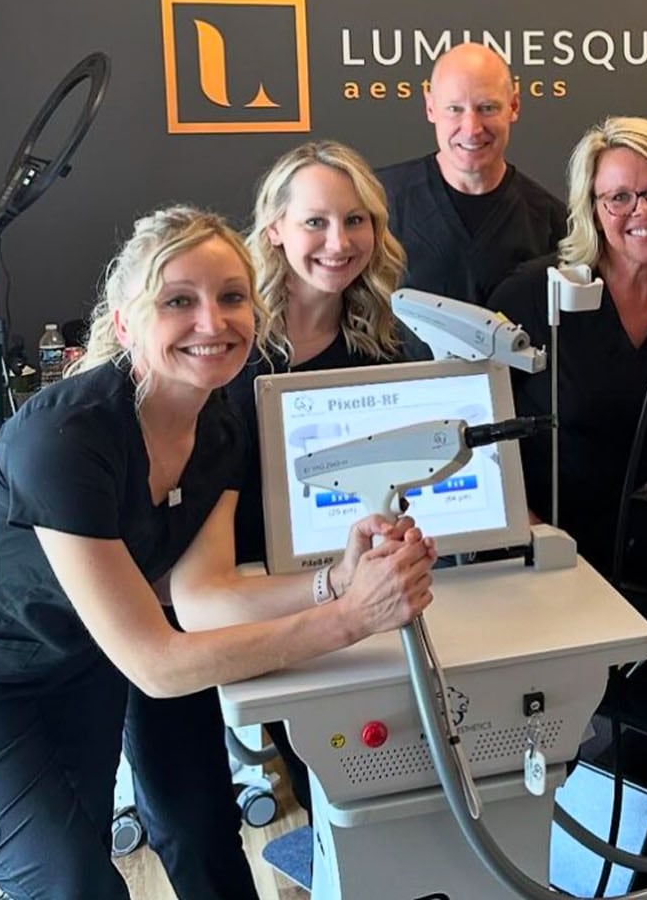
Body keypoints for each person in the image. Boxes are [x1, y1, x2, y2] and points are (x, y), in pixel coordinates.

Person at [0, 206, 435, 900]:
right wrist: (349, 619)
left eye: (232, 297)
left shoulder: (221, 422)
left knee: (84, 860)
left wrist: (335, 580)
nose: (212, 321)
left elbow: (200, 596)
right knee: (73, 883)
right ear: (125, 322)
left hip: (76, 663)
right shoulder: (68, 438)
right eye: (179, 301)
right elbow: (157, 665)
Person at [487, 116, 647, 631]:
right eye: (619, 197)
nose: (641, 211)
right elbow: (480, 432)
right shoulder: (535, 296)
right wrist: (527, 529)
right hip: (562, 515)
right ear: (592, 209)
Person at [224, 139, 409, 812]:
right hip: (231, 593)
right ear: (274, 230)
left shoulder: (384, 348)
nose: (339, 241)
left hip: (339, 589)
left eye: (356, 220)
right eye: (317, 222)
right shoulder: (226, 342)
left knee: (337, 786)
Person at [377, 42, 565, 306]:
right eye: (454, 109)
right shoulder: (379, 206)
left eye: (487, 108)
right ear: (430, 108)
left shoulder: (552, 223)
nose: (472, 128)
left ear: (514, 106)